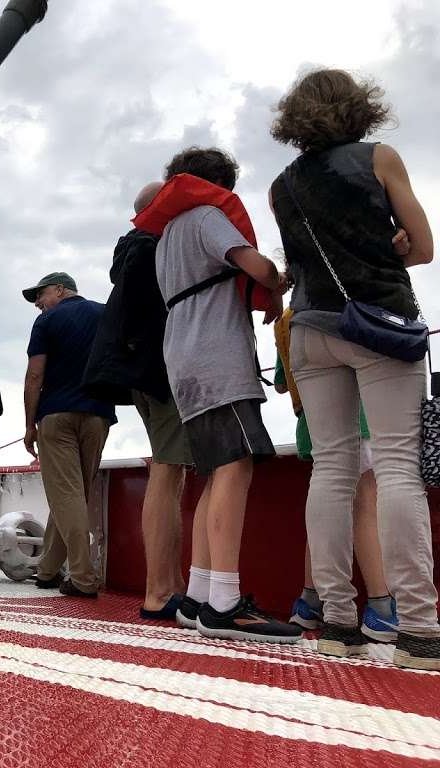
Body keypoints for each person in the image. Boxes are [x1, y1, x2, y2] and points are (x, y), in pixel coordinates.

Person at [269, 68, 438, 667]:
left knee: (332, 470)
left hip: (310, 331)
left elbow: (299, 261)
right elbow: (422, 247)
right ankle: (418, 629)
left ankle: (338, 621)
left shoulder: (281, 185)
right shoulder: (380, 158)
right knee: (396, 465)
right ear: (359, 108)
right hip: (377, 325)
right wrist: (390, 243)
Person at [154, 146, 299, 643]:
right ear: (220, 186)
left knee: (216, 472)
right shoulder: (208, 215)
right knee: (236, 467)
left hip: (183, 358)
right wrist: (280, 279)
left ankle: (198, 595)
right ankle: (225, 603)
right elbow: (255, 266)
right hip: (217, 357)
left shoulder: (167, 234)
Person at [83, 181, 193, 621]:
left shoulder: (132, 250)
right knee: (168, 470)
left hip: (139, 374)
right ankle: (160, 590)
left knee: (171, 469)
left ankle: (170, 584)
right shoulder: (156, 249)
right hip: (162, 370)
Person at [275, 310, 399, 643]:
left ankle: (310, 602)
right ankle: (381, 607)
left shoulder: (289, 317)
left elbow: (282, 382)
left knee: (325, 507)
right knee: (365, 503)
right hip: (354, 419)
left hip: (312, 425)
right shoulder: (351, 305)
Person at [22, 273, 116, 598]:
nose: (38, 303)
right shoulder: (106, 313)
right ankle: (48, 570)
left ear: (60, 289)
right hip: (98, 415)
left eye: (41, 295)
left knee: (65, 495)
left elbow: (35, 375)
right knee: (74, 495)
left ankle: (82, 577)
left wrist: (29, 424)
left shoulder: (48, 321)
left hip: (57, 414)